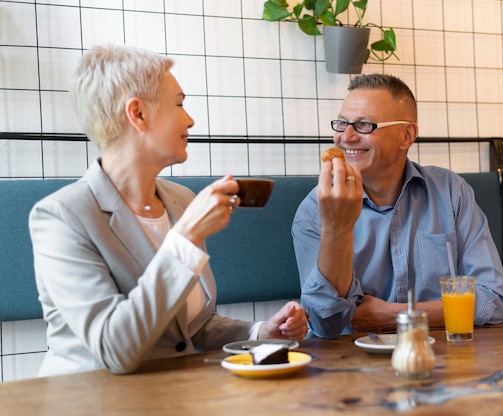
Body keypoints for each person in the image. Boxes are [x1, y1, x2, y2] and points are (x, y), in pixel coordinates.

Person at [29, 44, 308, 377]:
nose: (189, 119)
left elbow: (188, 328)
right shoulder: (61, 217)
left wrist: (259, 333)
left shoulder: (180, 199)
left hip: (175, 396)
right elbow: (115, 348)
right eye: (179, 104)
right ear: (138, 114)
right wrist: (186, 237)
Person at [292, 73, 503, 339]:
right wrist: (336, 226)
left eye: (364, 125)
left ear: (407, 135)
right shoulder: (315, 210)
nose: (345, 137)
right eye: (341, 123)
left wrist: (396, 315)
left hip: (441, 359)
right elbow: (325, 324)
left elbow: (493, 300)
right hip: (350, 364)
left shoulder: (451, 192)